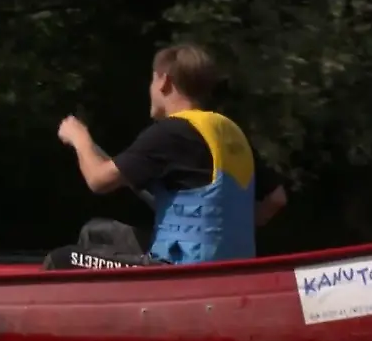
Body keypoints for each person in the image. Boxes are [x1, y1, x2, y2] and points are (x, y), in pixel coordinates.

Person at [47, 43, 288, 269]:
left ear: (164, 81)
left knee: (62, 259)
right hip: (232, 265)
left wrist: (79, 138)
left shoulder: (170, 133)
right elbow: (277, 198)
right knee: (95, 232)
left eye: (152, 81)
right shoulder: (230, 132)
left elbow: (98, 180)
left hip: (181, 269)